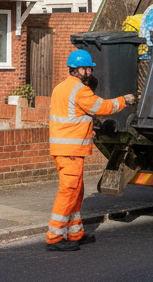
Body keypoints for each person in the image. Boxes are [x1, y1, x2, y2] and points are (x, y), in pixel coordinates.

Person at [46, 50, 135, 251]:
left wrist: (89, 129)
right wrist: (124, 100)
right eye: (87, 68)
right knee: (68, 190)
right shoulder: (80, 90)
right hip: (70, 148)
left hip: (67, 147)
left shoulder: (61, 88)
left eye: (89, 69)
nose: (89, 72)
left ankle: (75, 233)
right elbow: (101, 107)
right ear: (77, 70)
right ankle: (54, 237)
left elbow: (75, 116)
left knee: (77, 191)